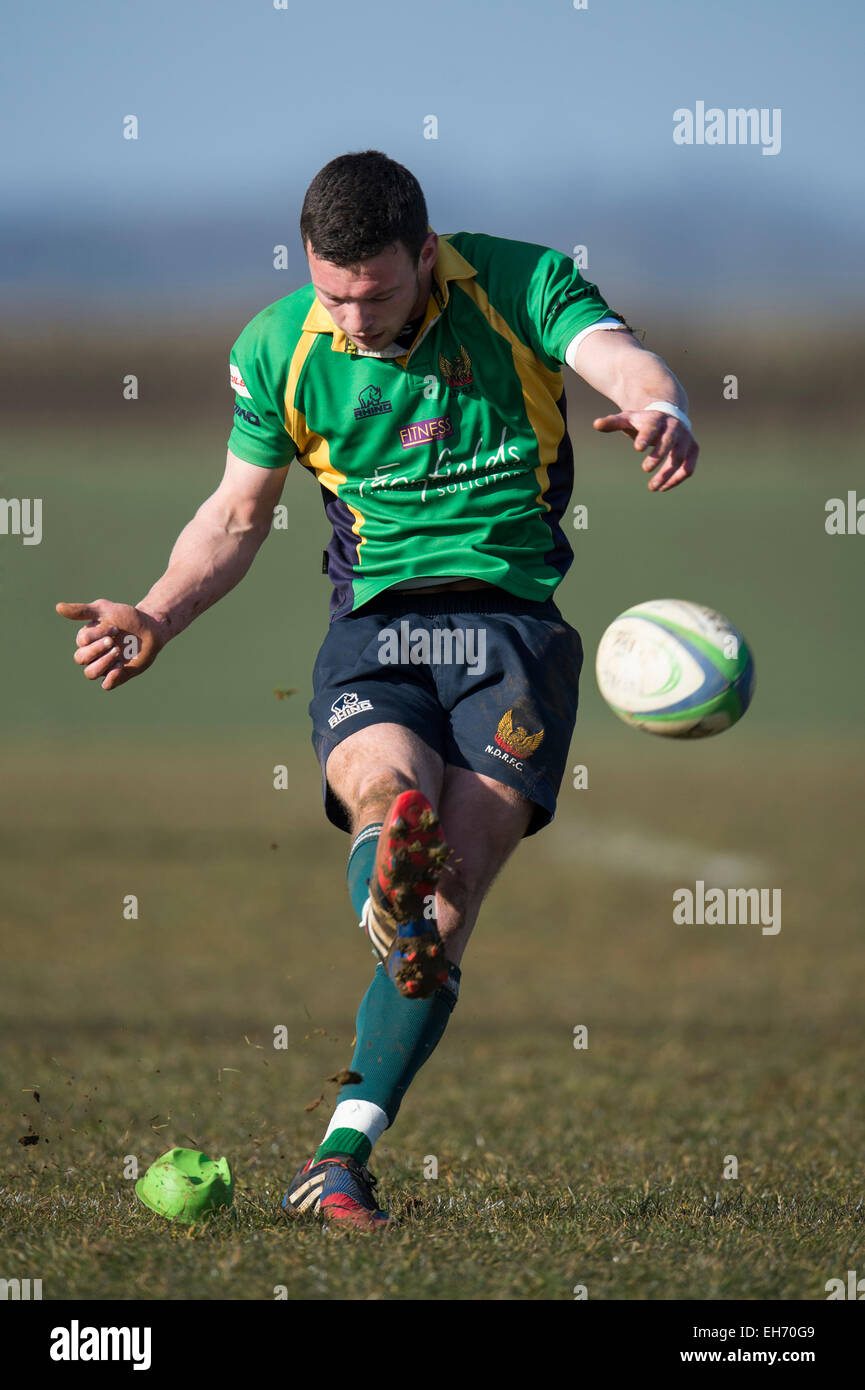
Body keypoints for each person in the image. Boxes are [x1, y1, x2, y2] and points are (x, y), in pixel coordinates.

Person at [57, 150, 698, 1230]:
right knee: (385, 789)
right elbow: (232, 516)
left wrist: (659, 409)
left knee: (443, 921)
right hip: (375, 627)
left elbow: (618, 357)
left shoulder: (519, 284)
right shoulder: (279, 347)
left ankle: (340, 1150)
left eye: (378, 291)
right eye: (330, 291)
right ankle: (387, 862)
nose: (353, 317)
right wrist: (156, 612)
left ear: (426, 252)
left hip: (512, 633)